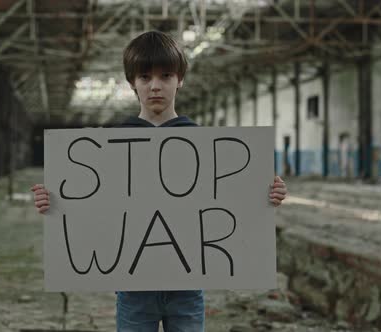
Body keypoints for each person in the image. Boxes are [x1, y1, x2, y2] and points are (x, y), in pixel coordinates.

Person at [31, 30, 288, 332]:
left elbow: (228, 200)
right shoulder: (111, 144)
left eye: (165, 76)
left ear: (180, 80)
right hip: (134, 286)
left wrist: (266, 194)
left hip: (187, 285)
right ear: (132, 83)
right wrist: (55, 202)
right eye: (144, 77)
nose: (155, 86)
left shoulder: (203, 142)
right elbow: (94, 205)